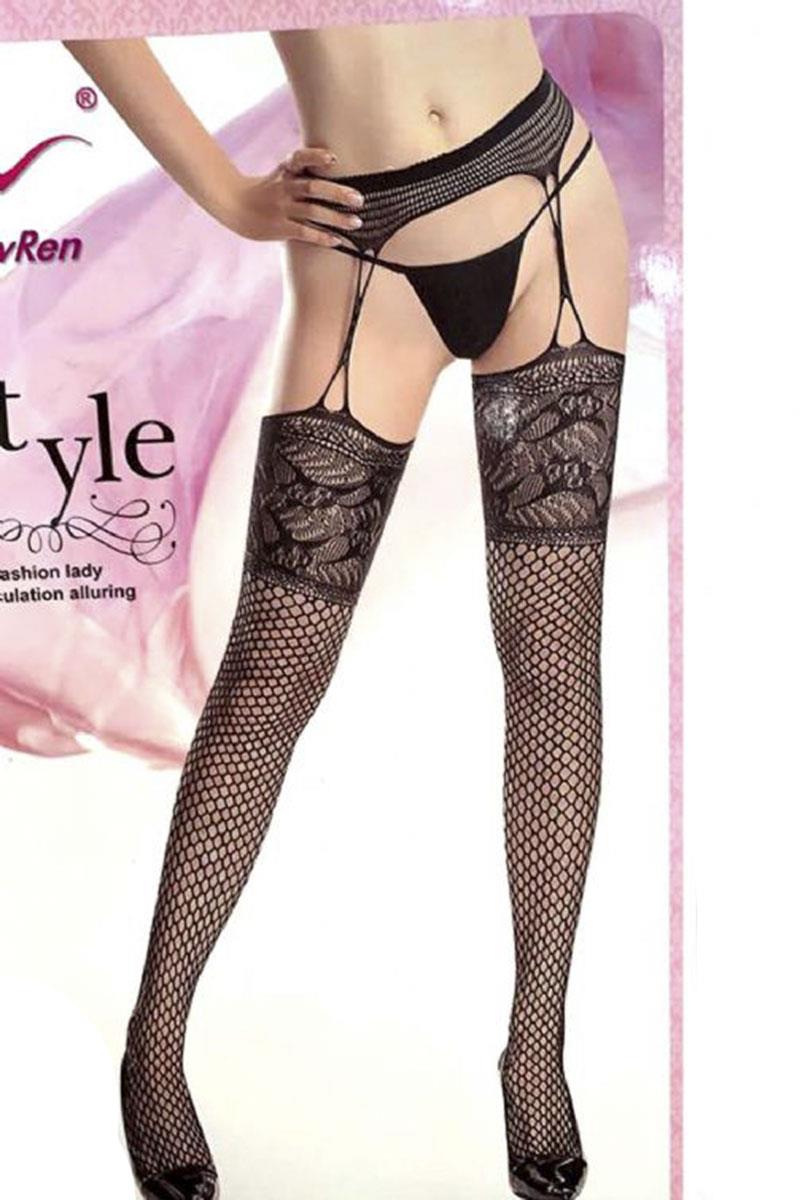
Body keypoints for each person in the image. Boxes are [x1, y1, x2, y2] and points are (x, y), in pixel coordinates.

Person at [65, 15, 630, 1200]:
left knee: (552, 654)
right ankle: (153, 1045)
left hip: (548, 199)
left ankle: (535, 1047)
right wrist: (225, 193)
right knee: (270, 672)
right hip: (362, 252)